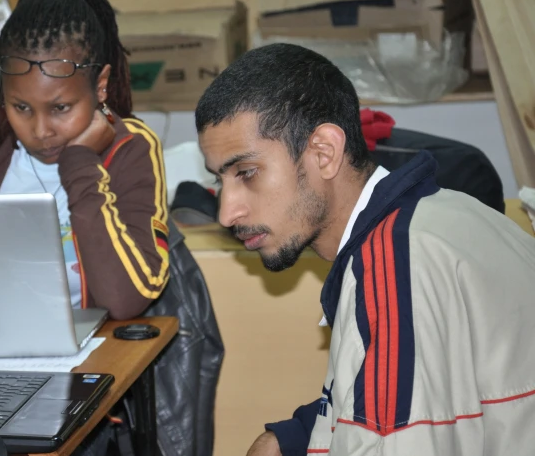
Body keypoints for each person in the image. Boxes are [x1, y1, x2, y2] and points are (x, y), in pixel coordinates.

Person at [195, 43, 535, 456]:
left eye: (247, 173)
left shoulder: (393, 270)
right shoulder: (442, 213)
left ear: (324, 153)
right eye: (220, 181)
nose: (227, 212)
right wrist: (297, 436)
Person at [0, 0, 170, 322]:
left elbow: (127, 299)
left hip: (95, 357)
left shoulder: (130, 149)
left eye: (61, 108)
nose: (41, 131)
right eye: (20, 107)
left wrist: (80, 164)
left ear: (100, 86)